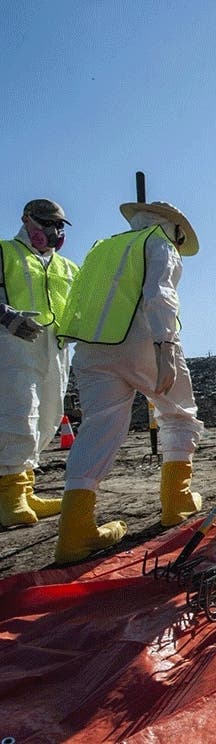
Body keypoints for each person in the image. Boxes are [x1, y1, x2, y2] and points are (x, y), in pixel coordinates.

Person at [54, 201, 204, 564]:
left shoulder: (102, 247)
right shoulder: (160, 242)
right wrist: (165, 346)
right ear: (175, 227)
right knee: (178, 413)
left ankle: (74, 532)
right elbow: (161, 295)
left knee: (99, 428)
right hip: (142, 341)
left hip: (91, 348)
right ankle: (176, 502)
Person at [0, 199, 79, 528]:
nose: (53, 231)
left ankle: (26, 487)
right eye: (46, 223)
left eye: (58, 225)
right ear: (26, 219)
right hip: (14, 343)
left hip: (55, 347)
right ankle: (9, 495)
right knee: (20, 413)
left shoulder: (67, 267)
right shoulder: (5, 252)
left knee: (46, 418)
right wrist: (5, 316)